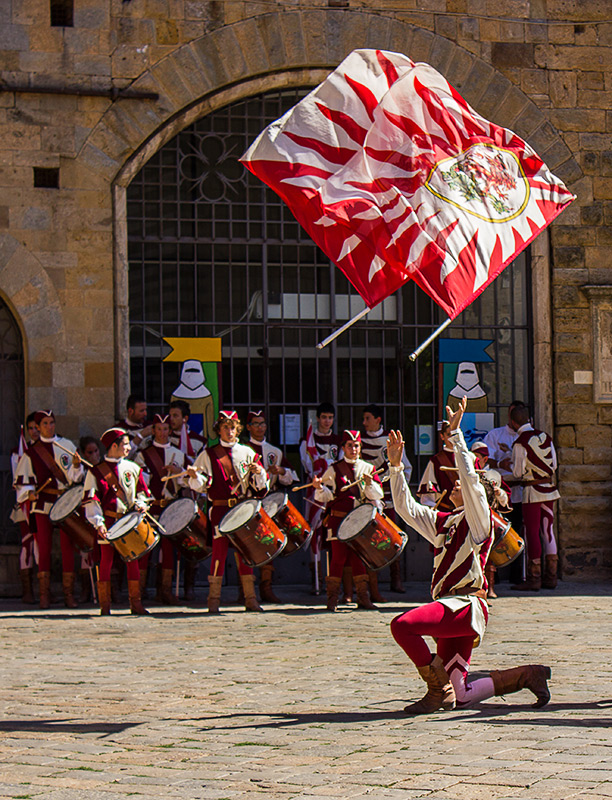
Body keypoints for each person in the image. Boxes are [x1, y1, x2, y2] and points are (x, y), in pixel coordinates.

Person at [387, 396, 551, 715]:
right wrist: (395, 467)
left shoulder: (479, 521)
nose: (454, 486)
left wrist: (457, 436)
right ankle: (528, 675)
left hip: (464, 605)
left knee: (402, 625)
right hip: (450, 605)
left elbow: (474, 484)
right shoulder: (444, 521)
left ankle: (436, 687)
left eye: (459, 483)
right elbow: (406, 510)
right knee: (460, 696)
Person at [187, 411, 269, 614]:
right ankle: (213, 600)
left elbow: (259, 485)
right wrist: (195, 476)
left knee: (245, 552)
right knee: (219, 553)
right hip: (220, 509)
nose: (229, 431)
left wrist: (260, 474)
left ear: (238, 429)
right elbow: (201, 485)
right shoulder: (208, 454)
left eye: (233, 427)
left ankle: (250, 598)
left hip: (241, 509)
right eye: (225, 427)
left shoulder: (247, 453)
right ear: (219, 430)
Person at [14, 410, 84, 609]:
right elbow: (23, 482)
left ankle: (68, 594)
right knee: (43, 549)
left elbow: (76, 478)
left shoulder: (68, 446)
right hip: (42, 505)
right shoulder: (31, 453)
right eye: (45, 423)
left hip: (64, 503)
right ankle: (44, 595)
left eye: (52, 422)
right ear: (38, 427)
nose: (49, 426)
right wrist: (30, 493)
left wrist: (77, 467)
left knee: (67, 548)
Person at [83, 428, 151, 615]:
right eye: (125, 444)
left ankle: (135, 603)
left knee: (133, 560)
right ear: (114, 446)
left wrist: (141, 504)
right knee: (106, 561)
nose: (129, 447)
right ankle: (105, 606)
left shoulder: (133, 468)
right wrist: (99, 523)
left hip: (129, 522)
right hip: (109, 523)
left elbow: (142, 493)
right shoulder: (95, 473)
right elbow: (92, 500)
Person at [313, 430, 384, 612]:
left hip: (358, 522)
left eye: (356, 445)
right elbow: (327, 495)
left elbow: (377, 494)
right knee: (337, 559)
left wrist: (369, 484)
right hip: (338, 520)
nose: (353, 449)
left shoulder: (368, 469)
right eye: (350, 445)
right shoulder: (334, 469)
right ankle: (332, 599)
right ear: (343, 447)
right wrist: (319, 487)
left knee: (357, 558)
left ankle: (363, 597)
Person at [245, 410, 299, 603]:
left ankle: (266, 586)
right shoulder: (243, 451)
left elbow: (292, 476)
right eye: (256, 424)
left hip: (269, 505)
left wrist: (282, 470)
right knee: (248, 546)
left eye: (262, 423)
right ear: (248, 427)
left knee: (269, 544)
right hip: (248, 505)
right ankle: (246, 590)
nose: (260, 427)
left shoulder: (274, 452)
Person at [135, 414, 189, 604]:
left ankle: (165, 590)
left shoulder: (180, 455)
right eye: (158, 429)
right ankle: (140, 590)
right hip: (152, 508)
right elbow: (141, 482)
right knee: (146, 548)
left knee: (168, 550)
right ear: (153, 430)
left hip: (170, 509)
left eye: (166, 429)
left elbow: (188, 482)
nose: (162, 433)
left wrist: (178, 474)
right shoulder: (144, 455)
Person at [361, 403, 412, 597]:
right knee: (369, 541)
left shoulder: (389, 441)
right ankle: (370, 585)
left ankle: (395, 578)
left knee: (393, 539)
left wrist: (395, 486)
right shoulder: (360, 442)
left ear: (378, 420)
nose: (364, 423)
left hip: (390, 500)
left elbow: (405, 468)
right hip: (368, 500)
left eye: (367, 418)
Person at [510, 405, 560, 592]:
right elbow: (553, 464)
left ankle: (534, 578)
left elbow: (517, 472)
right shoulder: (546, 437)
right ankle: (551, 577)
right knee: (548, 531)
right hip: (549, 488)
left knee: (532, 533)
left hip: (532, 492)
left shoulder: (520, 443)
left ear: (513, 423)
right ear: (530, 419)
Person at [299, 402, 342, 592]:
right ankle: (316, 577)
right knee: (315, 531)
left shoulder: (339, 440)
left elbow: (340, 463)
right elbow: (308, 464)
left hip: (334, 491)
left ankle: (335, 578)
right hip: (315, 491)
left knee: (333, 532)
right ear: (318, 418)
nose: (327, 421)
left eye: (330, 418)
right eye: (323, 417)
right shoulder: (308, 441)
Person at [10, 414, 39, 604]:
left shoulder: (54, 447)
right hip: (27, 503)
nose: (34, 431)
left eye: (37, 426)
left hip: (46, 502)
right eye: (31, 428)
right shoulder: (19, 452)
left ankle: (45, 588)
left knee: (42, 545)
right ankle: (27, 589)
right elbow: (18, 479)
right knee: (27, 543)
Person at [417, 421, 457, 512]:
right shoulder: (436, 461)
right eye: (449, 435)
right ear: (442, 436)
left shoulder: (471, 458)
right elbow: (427, 498)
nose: (452, 439)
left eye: (455, 435)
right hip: (446, 513)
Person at [118, 394, 153, 458]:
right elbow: (121, 456)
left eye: (145, 410)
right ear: (130, 411)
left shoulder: (150, 425)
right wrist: (140, 436)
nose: (145, 414)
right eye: (141, 411)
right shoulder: (119, 430)